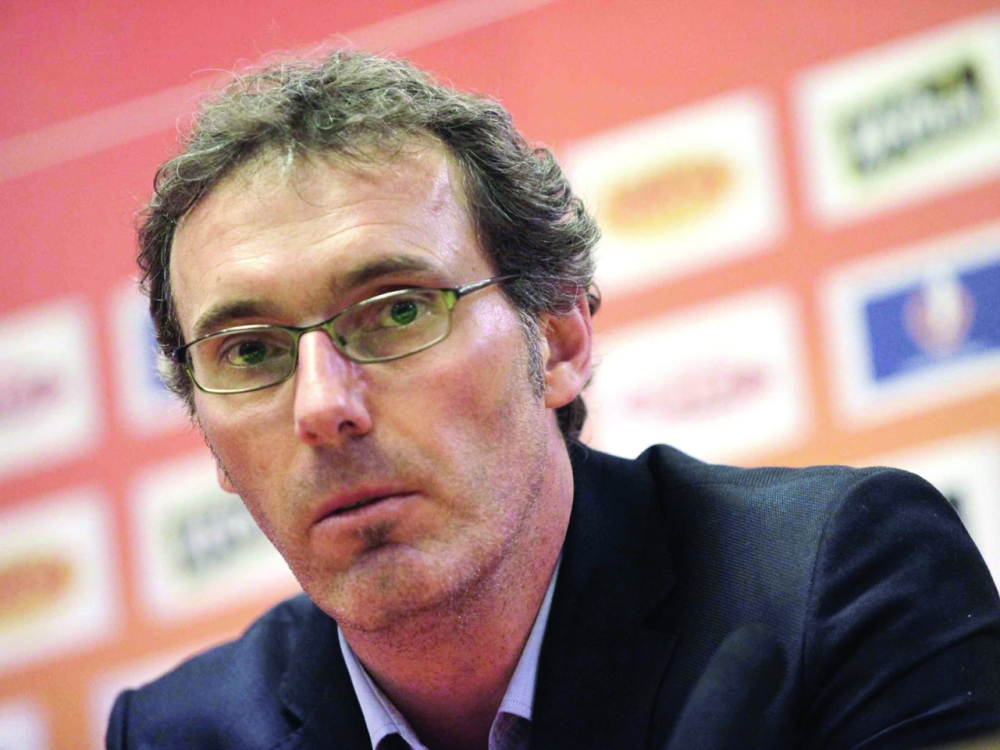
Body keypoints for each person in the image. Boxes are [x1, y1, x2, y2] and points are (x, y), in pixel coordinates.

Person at [106, 51, 1000, 750]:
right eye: (251, 352)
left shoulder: (835, 583)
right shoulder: (175, 735)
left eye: (398, 310)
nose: (321, 406)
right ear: (209, 440)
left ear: (560, 342)